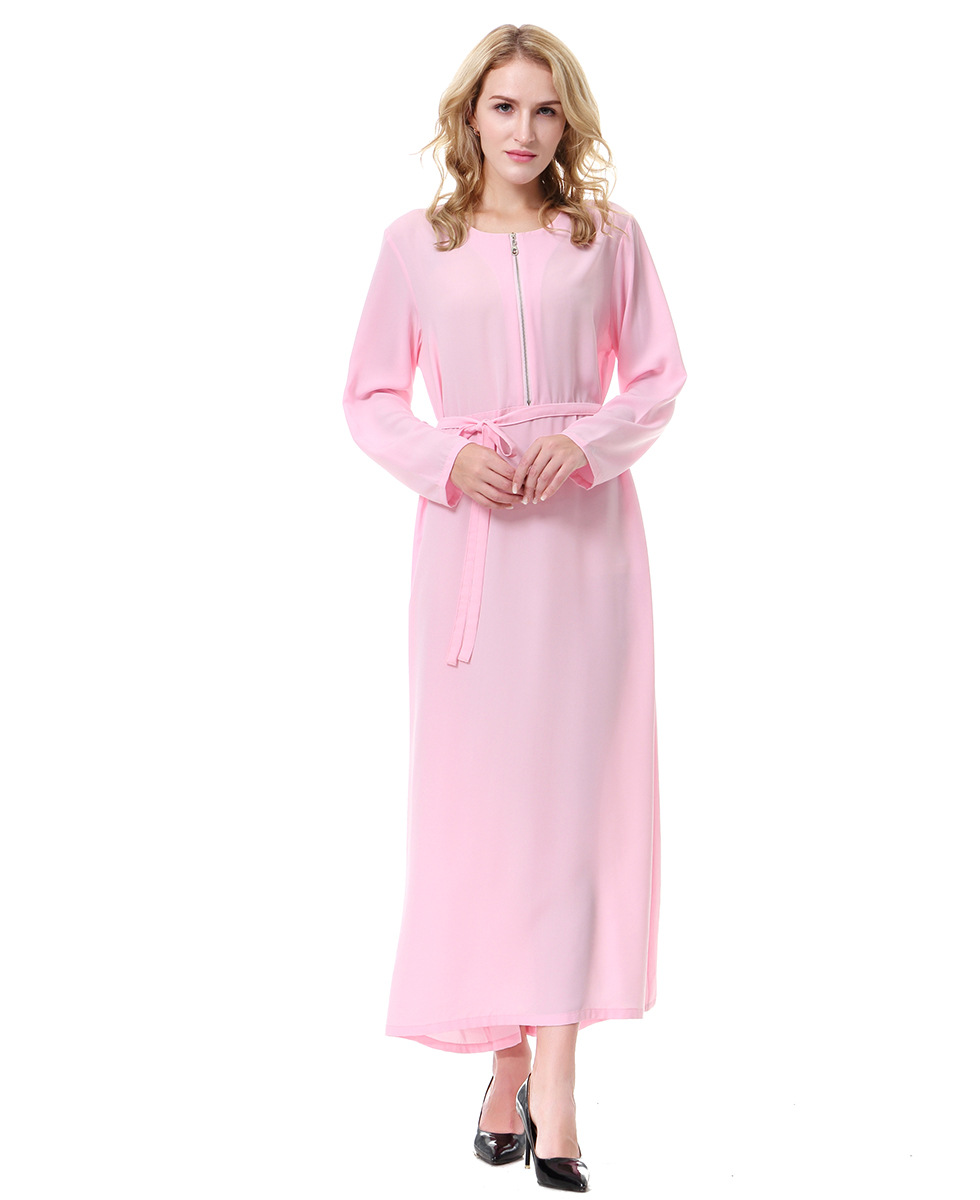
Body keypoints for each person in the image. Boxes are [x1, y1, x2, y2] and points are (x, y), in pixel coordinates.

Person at [342, 23, 687, 1192]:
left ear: (567, 120)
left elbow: (658, 378)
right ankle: (506, 1067)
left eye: (545, 109)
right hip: (473, 553)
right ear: (470, 117)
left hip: (585, 551)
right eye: (504, 107)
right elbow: (369, 395)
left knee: (575, 810)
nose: (525, 130)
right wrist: (447, 460)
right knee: (485, 812)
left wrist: (586, 444)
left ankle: (562, 1083)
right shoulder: (416, 244)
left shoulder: (608, 239)